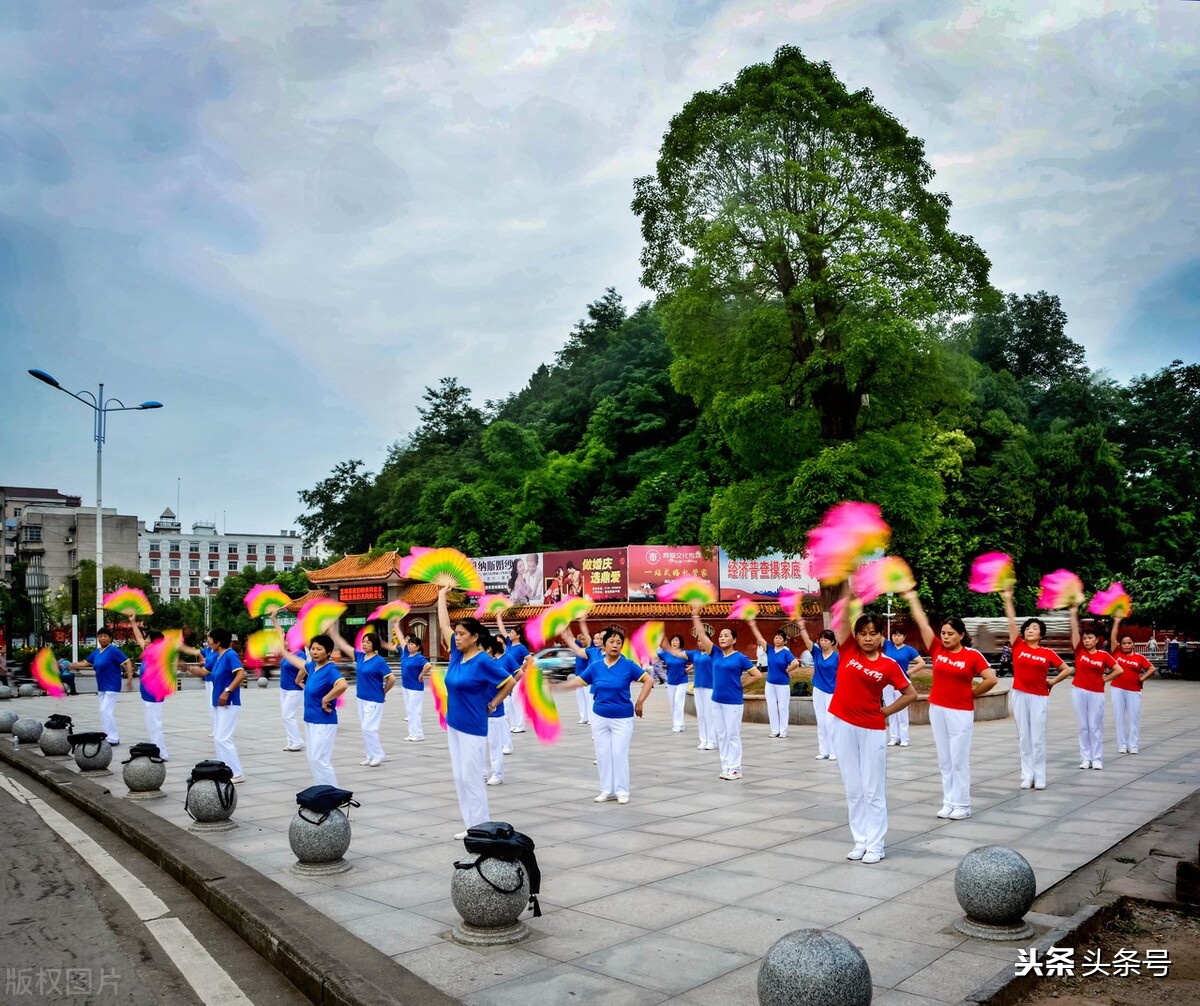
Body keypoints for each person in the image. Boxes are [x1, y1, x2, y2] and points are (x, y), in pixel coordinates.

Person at [829, 604, 916, 864]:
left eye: (873, 633)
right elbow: (843, 617)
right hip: (843, 725)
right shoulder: (848, 650)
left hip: (872, 729)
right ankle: (861, 841)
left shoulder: (889, 665)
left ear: (881, 637)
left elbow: (910, 694)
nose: (868, 638)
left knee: (873, 789)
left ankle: (876, 845)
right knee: (853, 789)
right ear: (856, 636)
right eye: (863, 633)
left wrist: (885, 712)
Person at [905, 590, 997, 819]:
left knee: (958, 759)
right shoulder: (937, 649)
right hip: (937, 708)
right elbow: (923, 624)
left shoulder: (971, 655)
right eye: (943, 633)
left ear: (961, 634)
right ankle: (948, 801)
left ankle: (963, 805)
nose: (945, 637)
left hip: (960, 712)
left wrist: (972, 694)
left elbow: (991, 679)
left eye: (950, 634)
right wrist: (912, 599)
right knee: (944, 759)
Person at [436, 586, 516, 837]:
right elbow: (443, 625)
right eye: (456, 634)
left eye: (462, 634)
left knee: (472, 779)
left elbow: (509, 682)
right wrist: (441, 596)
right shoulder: (457, 657)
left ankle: (482, 827)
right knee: (460, 778)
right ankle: (471, 826)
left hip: (473, 727)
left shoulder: (483, 661)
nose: (456, 637)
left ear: (474, 637)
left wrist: (493, 703)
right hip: (454, 724)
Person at [559, 626, 653, 804]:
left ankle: (622, 791)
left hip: (622, 718)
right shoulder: (596, 666)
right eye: (611, 641)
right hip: (599, 716)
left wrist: (640, 702)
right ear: (604, 644)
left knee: (618, 753)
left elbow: (649, 680)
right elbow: (579, 681)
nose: (615, 645)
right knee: (602, 753)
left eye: (619, 642)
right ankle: (606, 790)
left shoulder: (628, 665)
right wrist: (556, 687)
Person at [1002, 588, 1066, 790]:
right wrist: (1008, 599)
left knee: (1038, 737)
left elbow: (1066, 669)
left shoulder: (1047, 653)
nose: (1030, 630)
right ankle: (1026, 775)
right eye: (1028, 628)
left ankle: (1040, 776)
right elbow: (1011, 622)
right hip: (1020, 694)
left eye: (1035, 628)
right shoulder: (1018, 647)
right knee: (1024, 737)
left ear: (1041, 634)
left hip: (1039, 697)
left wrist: (1052, 682)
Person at [691, 603, 761, 780]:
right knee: (721, 735)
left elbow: (756, 675)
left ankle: (736, 768)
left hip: (733, 702)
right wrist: (695, 615)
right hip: (717, 700)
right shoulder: (715, 653)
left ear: (734, 640)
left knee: (732, 735)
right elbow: (701, 634)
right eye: (720, 636)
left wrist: (740, 685)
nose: (722, 638)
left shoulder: (740, 658)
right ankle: (726, 766)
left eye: (726, 636)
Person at [281, 631, 351, 786]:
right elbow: (297, 662)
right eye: (313, 648)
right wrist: (283, 650)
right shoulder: (313, 666)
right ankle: (321, 789)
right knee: (312, 758)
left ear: (328, 652)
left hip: (324, 722)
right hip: (310, 720)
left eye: (319, 649)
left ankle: (333, 792)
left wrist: (327, 698)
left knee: (320, 759)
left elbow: (342, 685)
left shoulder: (330, 669)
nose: (315, 651)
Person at [1064, 606, 1122, 770]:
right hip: (1079, 691)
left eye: (1090, 638)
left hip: (1096, 693)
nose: (1086, 640)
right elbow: (1075, 632)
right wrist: (1074, 613)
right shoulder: (1079, 651)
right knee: (1083, 726)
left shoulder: (1103, 655)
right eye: (1085, 638)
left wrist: (1105, 679)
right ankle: (1085, 759)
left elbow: (1119, 670)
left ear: (1097, 640)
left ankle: (1096, 759)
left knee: (1095, 726)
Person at [70, 625, 133, 746]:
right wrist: (71, 665)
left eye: (105, 636)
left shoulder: (113, 650)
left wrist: (129, 678)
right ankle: (108, 735)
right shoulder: (96, 652)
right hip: (102, 686)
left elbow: (127, 661)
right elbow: (86, 663)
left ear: (110, 638)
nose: (102, 638)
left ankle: (113, 738)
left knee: (106, 710)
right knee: (102, 711)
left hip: (112, 685)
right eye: (100, 636)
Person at [1109, 615, 1155, 754]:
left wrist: (1142, 679)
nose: (1127, 645)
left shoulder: (1139, 658)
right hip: (1117, 688)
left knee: (1134, 717)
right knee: (1119, 717)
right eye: (1124, 643)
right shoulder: (1116, 653)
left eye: (1129, 643)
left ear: (1133, 644)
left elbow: (1152, 668)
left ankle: (1133, 744)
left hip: (1134, 690)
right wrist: (1116, 622)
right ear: (1121, 645)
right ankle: (1122, 745)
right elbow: (1112, 639)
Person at [206, 627, 247, 783]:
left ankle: (237, 772)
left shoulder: (230, 655)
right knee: (218, 737)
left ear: (218, 641)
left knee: (223, 738)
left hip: (229, 703)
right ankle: (223, 768)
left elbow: (241, 673)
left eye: (210, 639)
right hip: (219, 703)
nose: (208, 642)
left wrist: (227, 691)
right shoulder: (218, 657)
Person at [747, 620, 800, 739]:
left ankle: (783, 731)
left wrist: (787, 671)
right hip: (770, 683)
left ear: (784, 641)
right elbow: (760, 639)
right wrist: (753, 625)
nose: (777, 640)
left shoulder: (786, 652)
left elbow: (795, 663)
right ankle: (774, 730)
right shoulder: (770, 650)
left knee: (782, 707)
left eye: (780, 638)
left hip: (782, 684)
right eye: (776, 638)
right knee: (771, 706)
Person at [128, 616, 171, 761]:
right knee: (151, 725)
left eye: (147, 638)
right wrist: (133, 622)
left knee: (155, 725)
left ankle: (162, 753)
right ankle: (156, 750)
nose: (144, 639)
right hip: (146, 695)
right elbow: (139, 637)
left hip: (154, 695)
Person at [796, 623, 839, 760]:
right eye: (821, 640)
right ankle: (823, 750)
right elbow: (807, 641)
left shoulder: (837, 657)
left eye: (826, 640)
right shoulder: (817, 653)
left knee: (830, 721)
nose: (823, 642)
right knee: (821, 721)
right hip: (819, 690)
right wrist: (802, 627)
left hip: (832, 692)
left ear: (832, 642)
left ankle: (834, 751)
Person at [355, 629, 396, 767]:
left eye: (368, 642)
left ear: (374, 644)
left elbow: (391, 678)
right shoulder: (360, 657)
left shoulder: (379, 661)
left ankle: (378, 754)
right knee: (364, 728)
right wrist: (334, 634)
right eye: (363, 641)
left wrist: (384, 691)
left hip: (374, 699)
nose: (364, 644)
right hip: (361, 697)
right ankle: (369, 755)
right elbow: (343, 646)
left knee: (369, 728)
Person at [268, 610, 306, 752]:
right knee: (285, 716)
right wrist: (274, 619)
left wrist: (297, 680)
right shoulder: (287, 652)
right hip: (284, 689)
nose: (285, 640)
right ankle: (291, 741)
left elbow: (303, 668)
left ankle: (297, 741)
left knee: (287, 716)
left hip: (294, 690)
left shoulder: (299, 653)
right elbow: (280, 633)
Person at [882, 626, 925, 747]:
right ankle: (894, 737)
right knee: (890, 708)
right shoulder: (888, 645)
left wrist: (908, 672)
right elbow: (877, 636)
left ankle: (904, 737)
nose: (896, 637)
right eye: (894, 635)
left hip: (902, 683)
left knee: (901, 710)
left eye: (899, 635)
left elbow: (921, 663)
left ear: (904, 637)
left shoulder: (909, 650)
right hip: (887, 683)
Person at [494, 612, 528, 739]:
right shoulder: (508, 644)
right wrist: (498, 617)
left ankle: (521, 725)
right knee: (510, 702)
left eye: (513, 633)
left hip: (517, 677)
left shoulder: (521, 648)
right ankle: (514, 724)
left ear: (518, 635)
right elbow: (502, 630)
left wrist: (520, 669)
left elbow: (530, 660)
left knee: (516, 702)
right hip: (509, 678)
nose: (510, 634)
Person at [657, 634, 692, 733]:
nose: (674, 642)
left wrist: (689, 669)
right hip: (671, 682)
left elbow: (696, 660)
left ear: (680, 642)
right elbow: (657, 651)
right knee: (673, 703)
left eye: (676, 640)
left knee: (678, 702)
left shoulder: (684, 653)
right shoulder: (666, 654)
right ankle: (677, 724)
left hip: (682, 681)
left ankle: (678, 724)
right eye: (672, 640)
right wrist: (659, 641)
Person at [399, 632, 430, 742]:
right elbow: (401, 640)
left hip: (415, 688)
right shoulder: (407, 655)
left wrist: (422, 674)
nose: (409, 645)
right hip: (406, 686)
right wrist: (396, 626)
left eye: (412, 644)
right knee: (409, 711)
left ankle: (418, 734)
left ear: (417, 647)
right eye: (409, 644)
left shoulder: (419, 657)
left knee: (415, 711)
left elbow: (428, 665)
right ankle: (412, 733)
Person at [687, 639, 716, 751]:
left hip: (710, 686)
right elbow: (680, 654)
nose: (700, 643)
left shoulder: (713, 654)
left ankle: (712, 741)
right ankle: (703, 740)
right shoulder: (695, 654)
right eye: (698, 641)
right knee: (701, 715)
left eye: (703, 640)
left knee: (709, 715)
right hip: (698, 686)